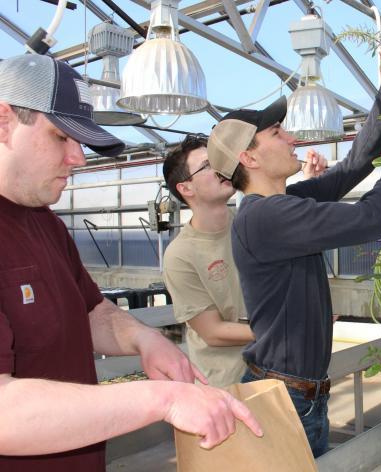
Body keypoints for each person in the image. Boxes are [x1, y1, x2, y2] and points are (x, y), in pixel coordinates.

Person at [0, 54, 261, 472]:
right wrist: (164, 398)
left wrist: (145, 340)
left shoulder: (40, 220)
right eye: (60, 137)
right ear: (4, 121)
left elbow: (90, 311)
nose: (80, 159)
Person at [206, 28, 381, 457]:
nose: (291, 138)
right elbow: (377, 217)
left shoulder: (280, 205)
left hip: (298, 394)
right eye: (276, 133)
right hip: (286, 399)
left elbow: (353, 167)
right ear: (248, 158)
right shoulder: (266, 218)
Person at [162, 133, 327, 387]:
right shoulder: (180, 255)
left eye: (219, 160)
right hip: (230, 386)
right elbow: (213, 332)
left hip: (279, 373)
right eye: (208, 165)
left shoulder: (250, 223)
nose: (221, 168)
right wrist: (292, 327)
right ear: (185, 188)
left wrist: (309, 183)